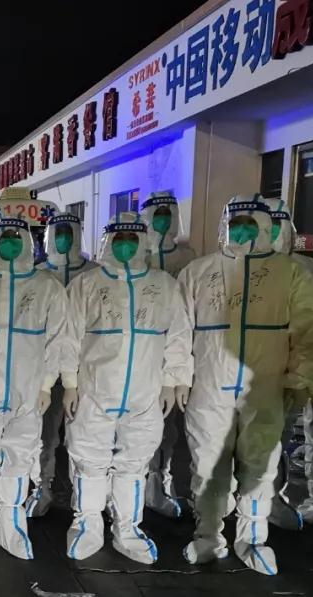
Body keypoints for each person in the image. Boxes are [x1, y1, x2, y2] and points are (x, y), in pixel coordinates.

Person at [180, 194, 313, 574]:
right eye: (236, 223)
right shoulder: (198, 272)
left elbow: (309, 333)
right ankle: (208, 535)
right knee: (207, 464)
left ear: (266, 228)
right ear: (224, 226)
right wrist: (176, 378)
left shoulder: (291, 273)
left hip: (265, 388)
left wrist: (300, 380)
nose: (243, 231)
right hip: (209, 387)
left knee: (260, 465)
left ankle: (253, 538)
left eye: (252, 224)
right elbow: (179, 333)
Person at [62, 212, 192, 563]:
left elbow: (178, 335)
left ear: (142, 242)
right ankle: (87, 524)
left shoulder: (164, 285)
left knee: (134, 463)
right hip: (94, 389)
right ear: (107, 242)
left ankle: (127, 528)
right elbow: (68, 337)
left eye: (131, 239)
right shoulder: (87, 285)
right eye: (117, 239)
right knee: (89, 459)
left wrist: (173, 379)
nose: (124, 246)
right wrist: (69, 382)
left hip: (144, 391)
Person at [0, 217, 68, 558]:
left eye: (15, 236)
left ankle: (11, 521)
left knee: (20, 455)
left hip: (28, 389)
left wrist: (47, 384)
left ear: (27, 241)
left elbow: (57, 340)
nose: (9, 242)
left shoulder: (47, 286)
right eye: (3, 236)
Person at [32, 213, 97, 518]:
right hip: (46, 369)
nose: (63, 239)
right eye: (57, 233)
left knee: (85, 435)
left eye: (68, 233)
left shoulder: (95, 273)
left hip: (85, 370)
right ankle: (42, 487)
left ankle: (83, 494)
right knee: (44, 434)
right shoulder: (38, 274)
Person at [263, 198, 313, 531]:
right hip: (247, 368)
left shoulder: (308, 268)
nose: (272, 232)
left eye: (277, 225)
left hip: (288, 368)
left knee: (279, 437)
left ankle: (271, 497)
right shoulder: (239, 267)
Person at [140, 192, 198, 519]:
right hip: (142, 355)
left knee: (169, 426)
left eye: (167, 214)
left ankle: (161, 482)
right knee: (138, 425)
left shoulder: (188, 259)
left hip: (176, 350)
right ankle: (138, 483)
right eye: (156, 214)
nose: (161, 220)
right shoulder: (140, 257)